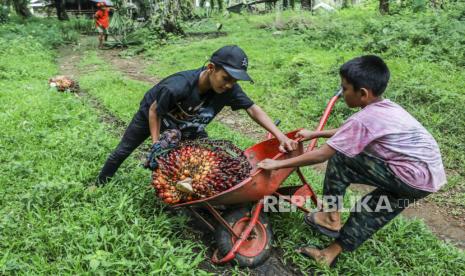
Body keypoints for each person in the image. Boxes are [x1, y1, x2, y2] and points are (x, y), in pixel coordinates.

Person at [257, 55, 446, 267]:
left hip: (409, 173)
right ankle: (327, 255)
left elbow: (323, 154)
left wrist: (277, 164)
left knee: (341, 157)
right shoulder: (386, 108)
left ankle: (330, 216)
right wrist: (316, 133)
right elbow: (350, 132)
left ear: (363, 93)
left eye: (345, 88)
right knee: (373, 210)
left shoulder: (364, 119)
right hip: (428, 180)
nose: (342, 92)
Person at [97, 45, 298, 184]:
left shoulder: (229, 90)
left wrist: (280, 136)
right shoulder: (178, 86)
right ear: (211, 68)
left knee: (201, 158)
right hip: (153, 115)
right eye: (226, 78)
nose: (229, 85)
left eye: (234, 82)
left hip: (186, 125)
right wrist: (156, 143)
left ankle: (185, 193)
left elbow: (253, 109)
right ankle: (100, 183)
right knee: (123, 150)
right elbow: (154, 111)